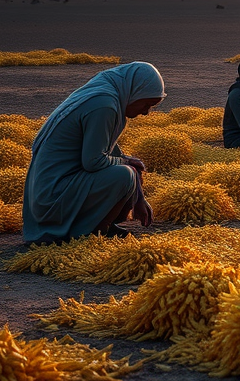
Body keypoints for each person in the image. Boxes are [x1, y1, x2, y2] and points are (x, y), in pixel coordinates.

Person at [22, 61, 165, 244]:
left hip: (47, 194)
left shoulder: (105, 93)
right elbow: (94, 162)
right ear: (135, 91)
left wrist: (139, 195)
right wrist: (126, 164)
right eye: (147, 104)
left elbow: (109, 150)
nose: (147, 113)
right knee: (125, 174)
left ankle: (98, 224)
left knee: (129, 170)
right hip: (52, 198)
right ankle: (92, 232)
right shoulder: (105, 105)